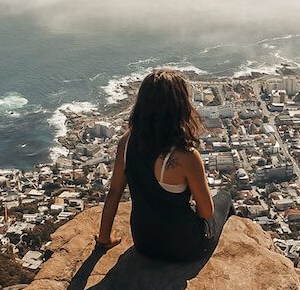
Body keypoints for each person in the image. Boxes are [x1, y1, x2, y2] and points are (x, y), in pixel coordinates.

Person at [95, 68, 233, 261]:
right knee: (225, 198)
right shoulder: (186, 156)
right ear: (180, 106)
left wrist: (104, 239)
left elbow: (115, 192)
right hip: (184, 248)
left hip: (144, 243)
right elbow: (206, 211)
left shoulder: (126, 142)